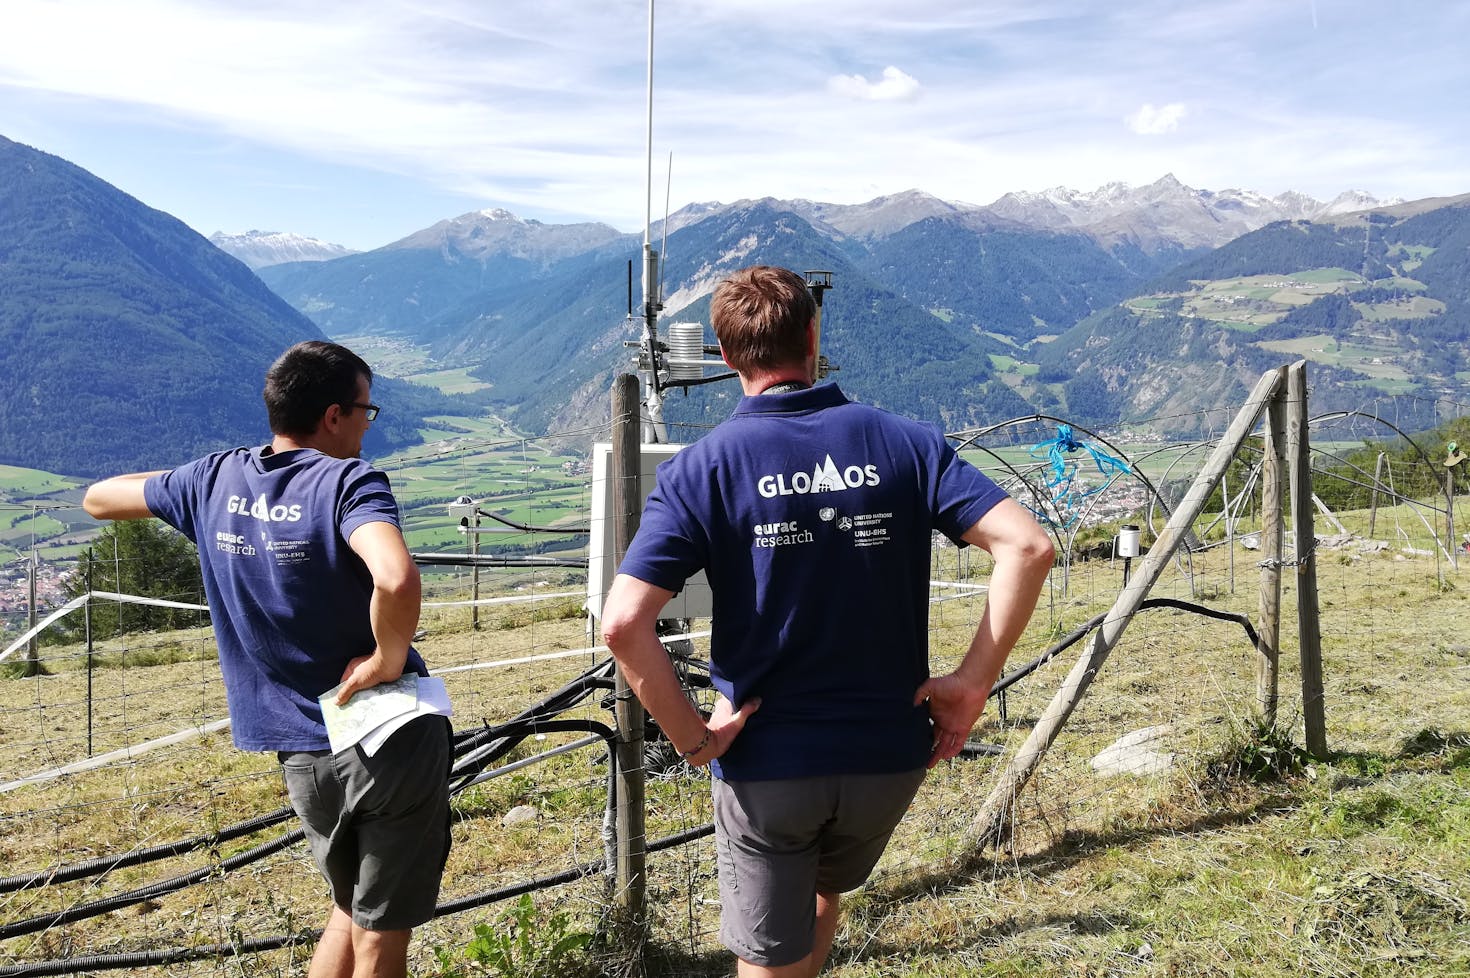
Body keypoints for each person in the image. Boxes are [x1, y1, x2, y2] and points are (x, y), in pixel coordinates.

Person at [601, 266, 1054, 978]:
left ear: (724, 359)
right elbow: (1028, 546)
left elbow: (623, 623)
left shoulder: (701, 470)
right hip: (889, 757)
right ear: (814, 335)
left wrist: (694, 739)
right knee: (821, 892)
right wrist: (970, 684)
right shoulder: (908, 443)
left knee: (766, 957)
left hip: (767, 766)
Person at [83, 340, 450, 978]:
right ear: (333, 416)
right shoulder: (346, 481)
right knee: (383, 936)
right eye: (367, 410)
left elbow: (98, 498)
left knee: (350, 907)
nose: (369, 423)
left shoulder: (211, 480)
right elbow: (394, 578)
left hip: (301, 753)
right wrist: (387, 660)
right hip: (386, 739)